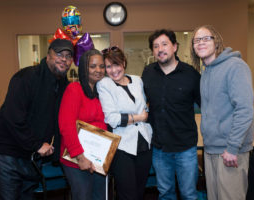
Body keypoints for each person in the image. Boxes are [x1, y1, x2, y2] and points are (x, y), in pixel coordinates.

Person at [0, 38, 73, 200]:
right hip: (5, 154)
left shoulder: (63, 85)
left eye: (68, 56)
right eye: (59, 54)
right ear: (48, 55)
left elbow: (58, 121)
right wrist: (37, 144)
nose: (64, 59)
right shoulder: (27, 77)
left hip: (29, 158)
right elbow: (13, 117)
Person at [191, 25, 254, 200]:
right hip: (211, 149)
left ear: (216, 41)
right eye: (197, 40)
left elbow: (245, 109)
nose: (201, 42)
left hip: (230, 151)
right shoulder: (206, 72)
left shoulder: (235, 66)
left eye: (206, 38)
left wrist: (232, 148)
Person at [142, 29, 201, 200]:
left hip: (186, 148)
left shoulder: (191, 74)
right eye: (155, 46)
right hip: (159, 148)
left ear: (175, 47)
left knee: (189, 194)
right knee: (165, 194)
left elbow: (207, 105)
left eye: (164, 44)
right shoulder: (148, 73)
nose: (160, 49)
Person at [97, 46, 153, 200]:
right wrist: (139, 117)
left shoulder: (137, 80)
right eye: (108, 66)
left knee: (140, 191)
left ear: (123, 63)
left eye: (116, 64)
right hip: (122, 147)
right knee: (127, 194)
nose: (113, 70)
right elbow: (112, 119)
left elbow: (145, 106)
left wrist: (141, 115)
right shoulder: (104, 85)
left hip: (145, 143)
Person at [58, 49, 106, 200]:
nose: (98, 70)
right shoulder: (74, 89)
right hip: (76, 159)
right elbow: (66, 125)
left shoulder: (103, 92)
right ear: (84, 68)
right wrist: (80, 157)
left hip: (99, 159)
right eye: (93, 66)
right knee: (83, 196)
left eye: (102, 66)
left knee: (100, 196)